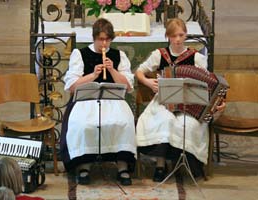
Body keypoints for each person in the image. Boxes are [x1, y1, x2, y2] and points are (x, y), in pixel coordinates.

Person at [135, 18, 226, 182]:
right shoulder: (159, 55)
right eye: (173, 36)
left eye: (181, 35)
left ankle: (186, 163)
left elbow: (208, 83)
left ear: (186, 35)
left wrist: (217, 102)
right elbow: (139, 71)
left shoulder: (196, 57)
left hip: (190, 103)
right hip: (164, 100)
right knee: (163, 120)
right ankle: (160, 165)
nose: (177, 39)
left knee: (187, 124)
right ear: (167, 36)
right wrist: (148, 82)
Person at [60, 18, 136, 186]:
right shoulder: (80, 54)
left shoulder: (118, 55)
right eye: (101, 39)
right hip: (85, 101)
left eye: (108, 39)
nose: (104, 43)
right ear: (94, 37)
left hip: (113, 100)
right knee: (84, 124)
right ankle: (84, 165)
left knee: (124, 122)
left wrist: (112, 70)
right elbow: (72, 86)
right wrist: (93, 75)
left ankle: (122, 166)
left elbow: (128, 86)